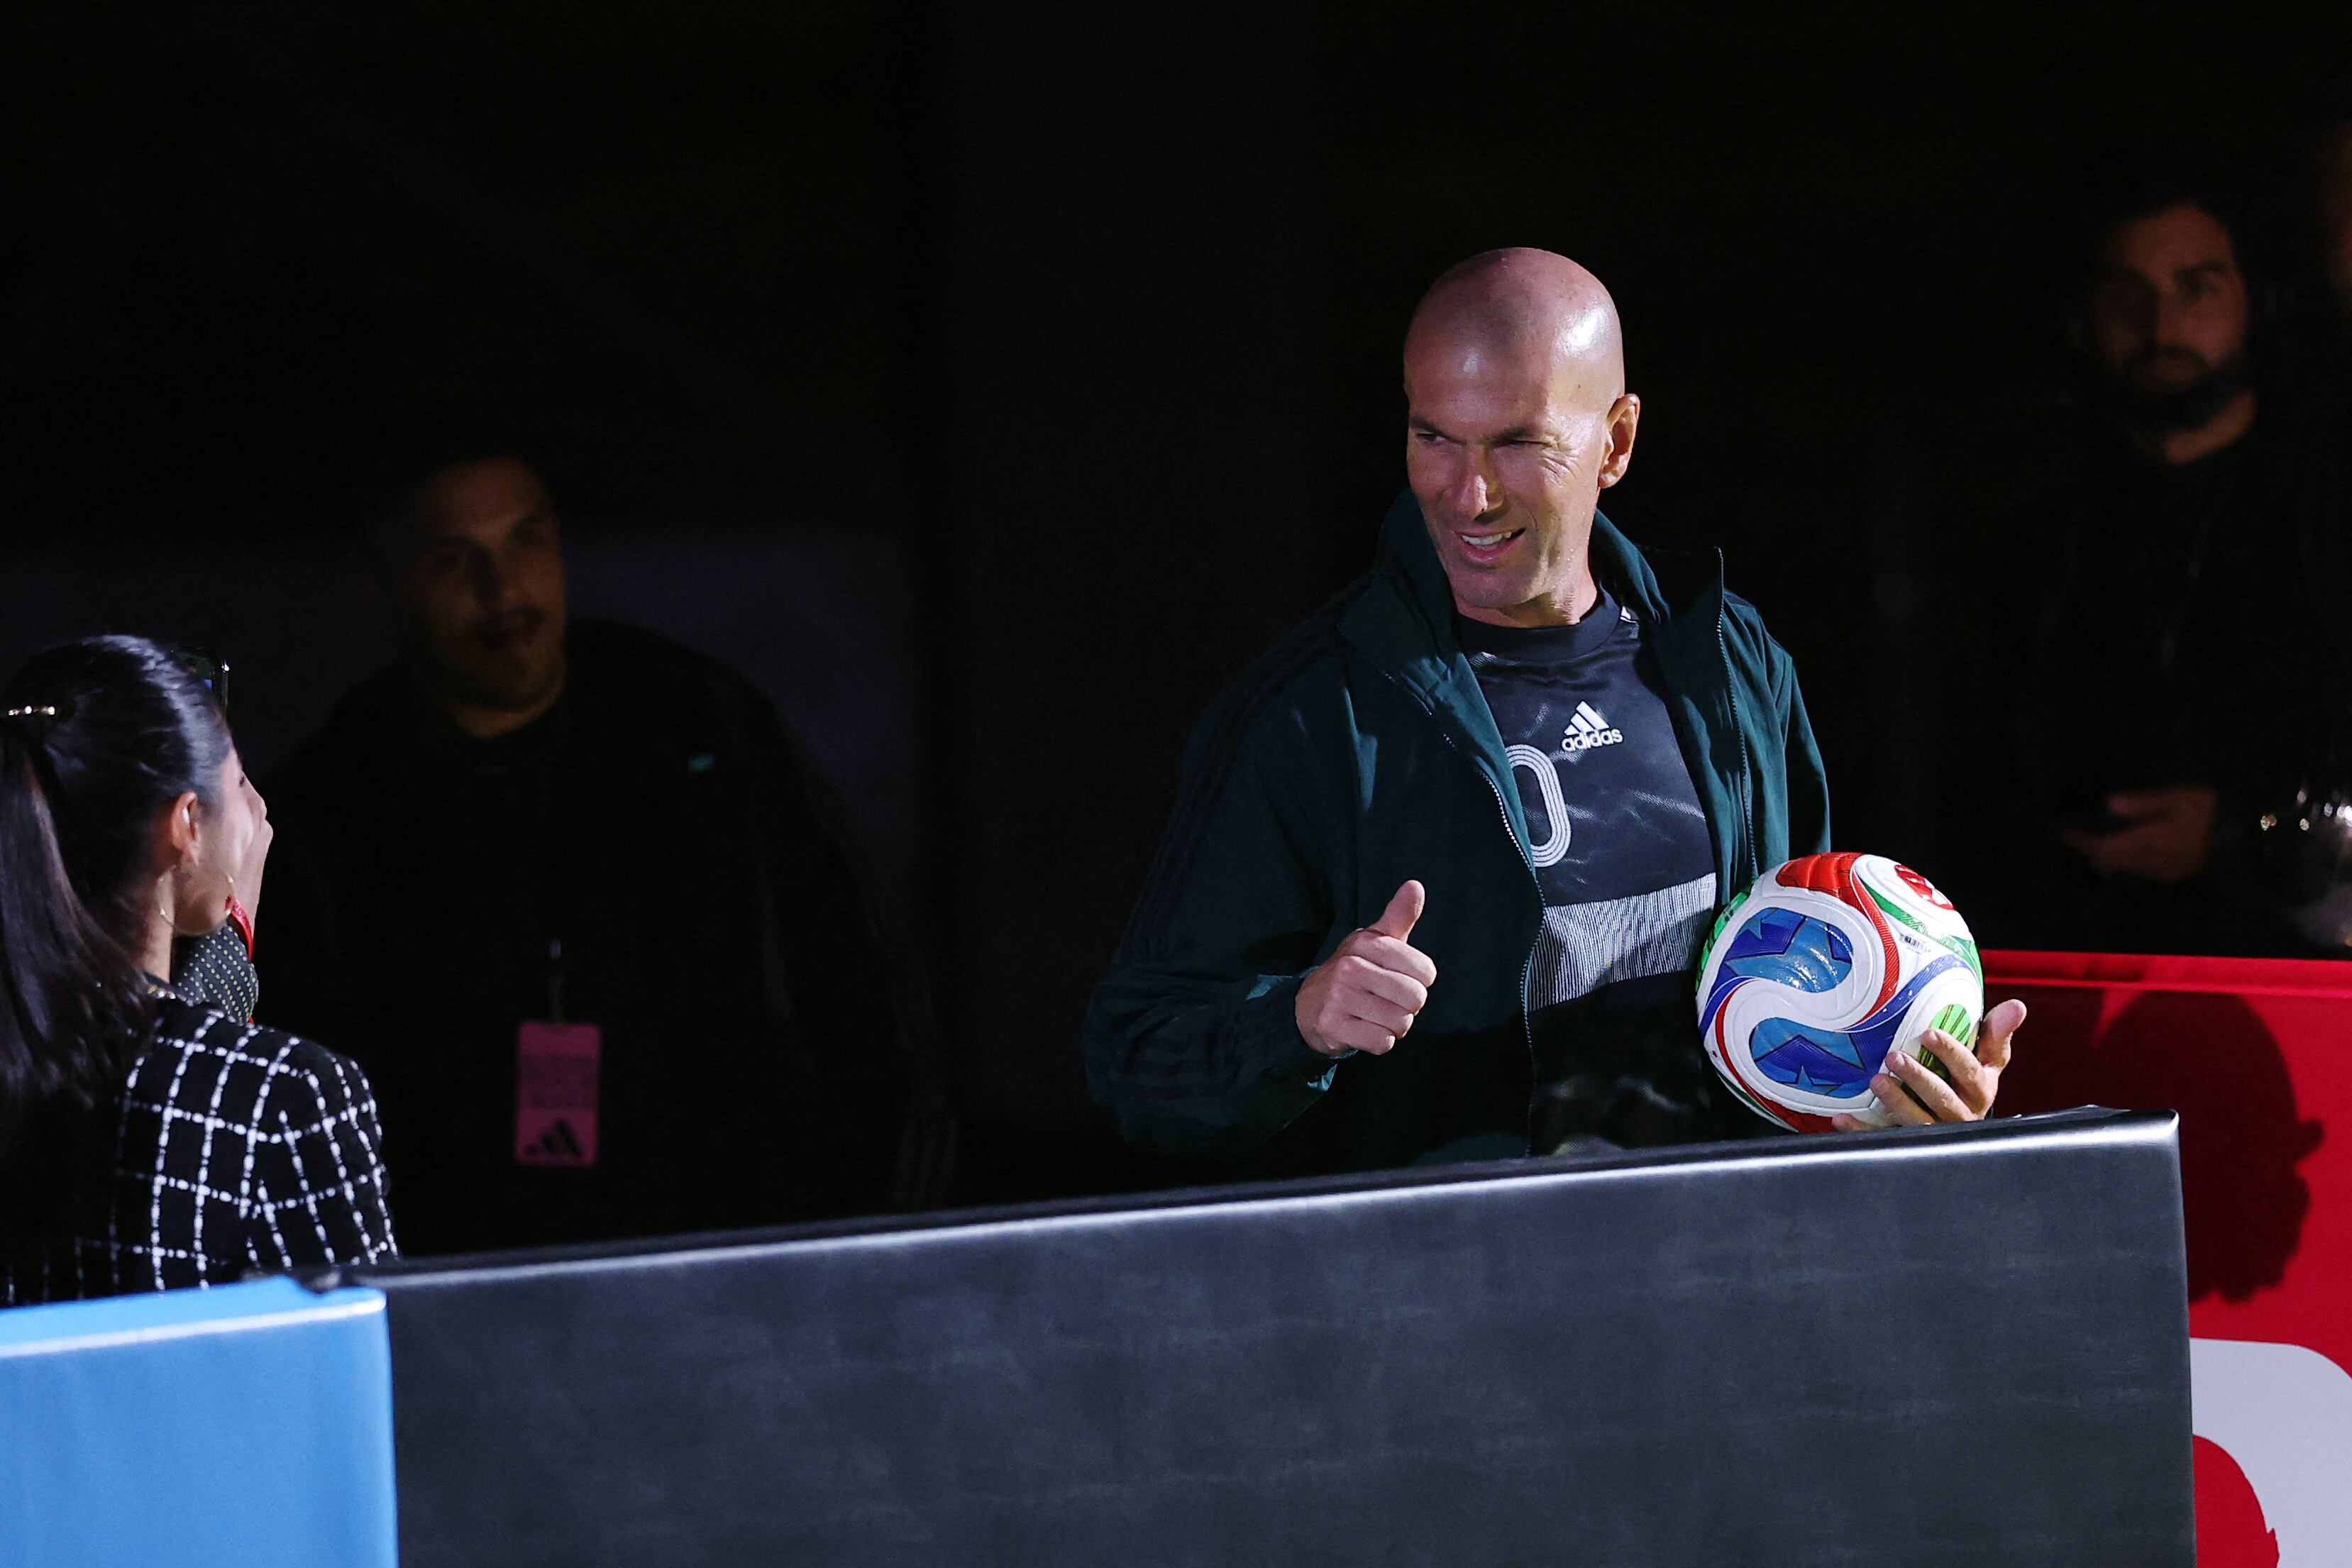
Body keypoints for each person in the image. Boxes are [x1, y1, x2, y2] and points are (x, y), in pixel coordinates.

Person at [1084, 249, 2024, 1171]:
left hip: (1718, 1287)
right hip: (1453, 1304)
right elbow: (1137, 1062)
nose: (1468, 493)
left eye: (1516, 442)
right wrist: (1297, 1023)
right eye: (1433, 437)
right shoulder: (1308, 717)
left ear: (1614, 442)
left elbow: (1814, 977)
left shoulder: (1731, 665)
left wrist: (1897, 1090)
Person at [258, 452, 922, 1255]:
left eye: (523, 540)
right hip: (469, 1281)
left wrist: (861, 1234)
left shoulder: (695, 726)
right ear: (384, 585)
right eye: (451, 560)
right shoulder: (339, 803)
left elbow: (858, 991)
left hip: (733, 1258)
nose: (501, 589)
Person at [1975, 153, 2352, 954]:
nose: (2160, 324)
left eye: (2197, 287)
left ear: (2256, 302)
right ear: (2083, 315)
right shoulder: (2045, 535)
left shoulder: (2325, 506)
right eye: (2127, 293)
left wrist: (2243, 835)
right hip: (2073, 963)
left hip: (2295, 971)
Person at [0, 636, 394, 1303]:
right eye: (239, 781)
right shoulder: (290, 1097)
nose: (257, 812)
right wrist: (233, 924)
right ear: (185, 824)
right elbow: (373, 1370)